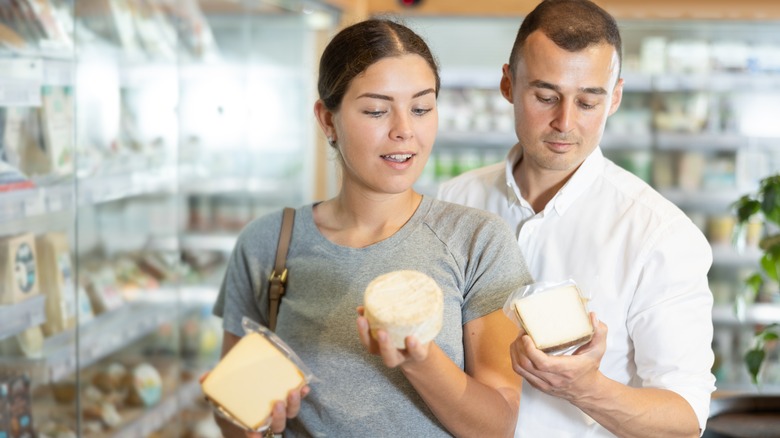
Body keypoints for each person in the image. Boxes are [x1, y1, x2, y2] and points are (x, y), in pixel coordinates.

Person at [212, 18, 533, 437]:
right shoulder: (268, 243)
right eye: (377, 111)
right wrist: (250, 422)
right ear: (328, 121)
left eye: (421, 108)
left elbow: (497, 427)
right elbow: (229, 413)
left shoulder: (477, 241)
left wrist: (419, 360)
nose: (404, 130)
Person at [437, 1, 717, 437]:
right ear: (508, 84)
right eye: (545, 97)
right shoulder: (452, 201)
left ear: (616, 98)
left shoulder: (659, 234)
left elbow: (685, 419)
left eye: (588, 101)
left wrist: (587, 388)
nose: (564, 122)